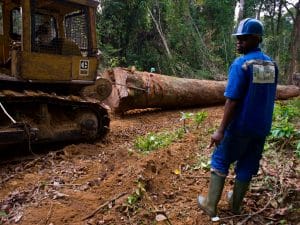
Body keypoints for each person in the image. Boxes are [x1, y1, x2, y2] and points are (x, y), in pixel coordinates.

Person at [197, 18, 278, 217]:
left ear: (256, 38)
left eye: (244, 38)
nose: (239, 42)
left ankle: (210, 205)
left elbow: (232, 100)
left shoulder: (241, 64)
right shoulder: (272, 65)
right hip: (261, 127)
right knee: (248, 163)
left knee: (220, 159)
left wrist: (220, 130)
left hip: (240, 127)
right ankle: (235, 205)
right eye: (238, 38)